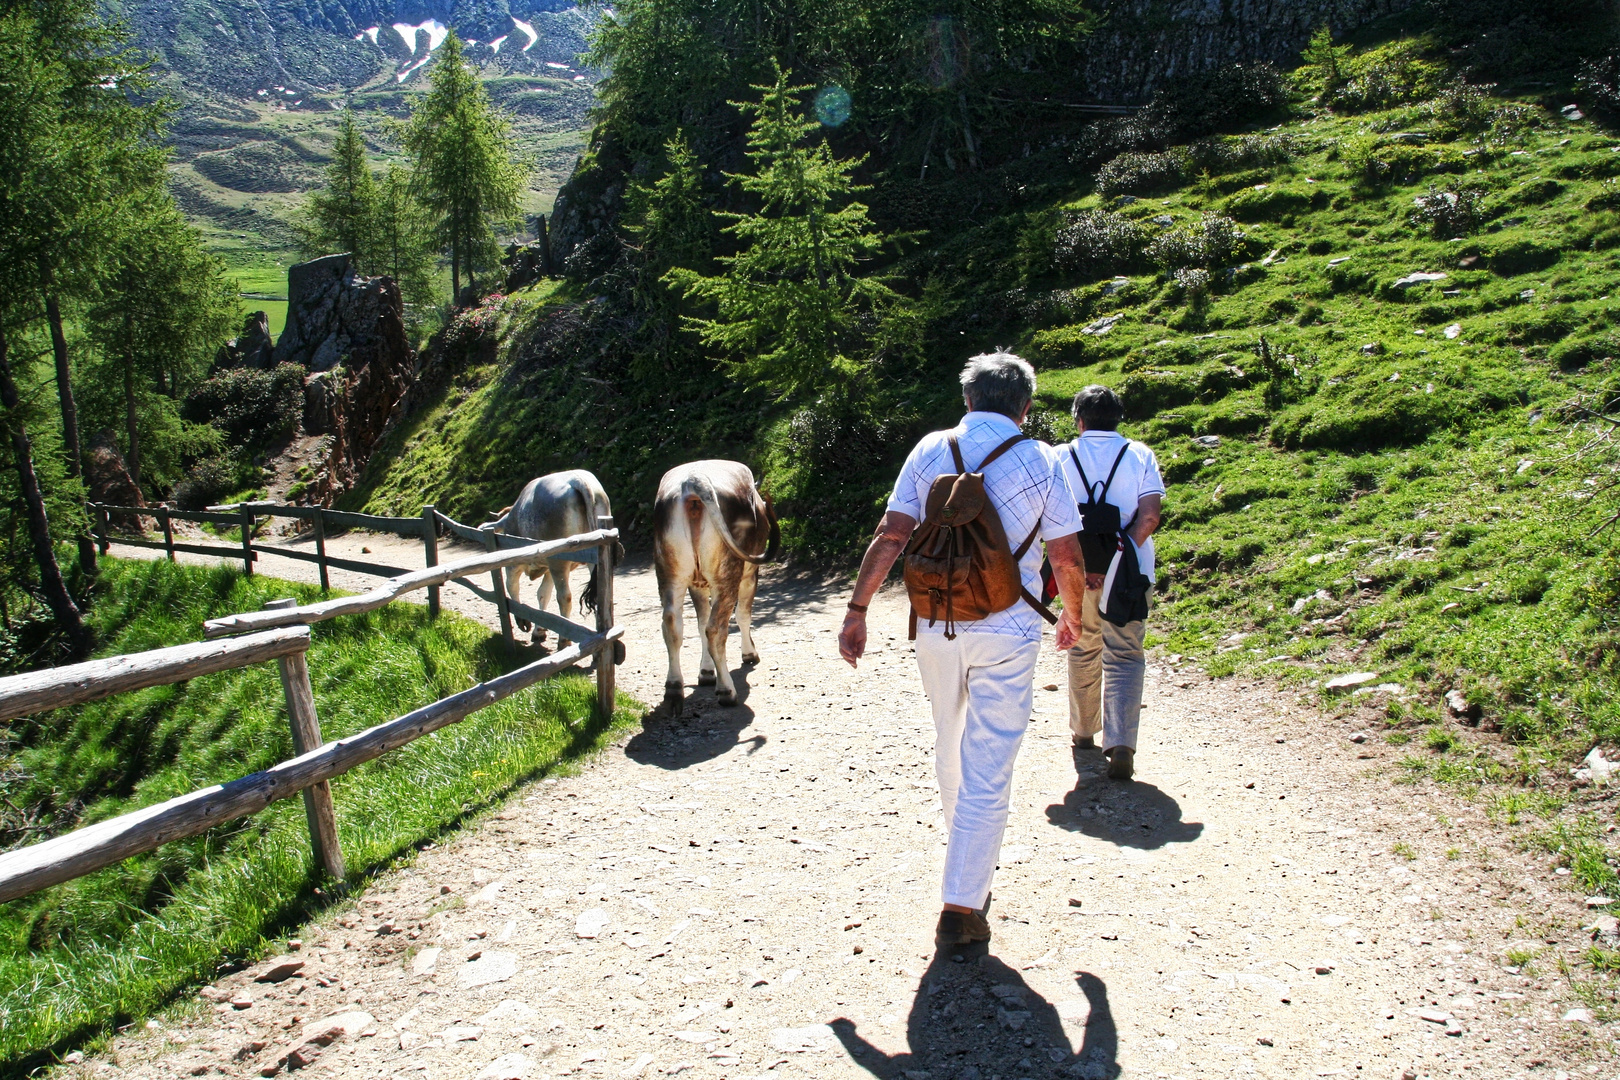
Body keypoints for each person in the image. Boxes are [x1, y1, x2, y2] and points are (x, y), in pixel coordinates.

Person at [838, 352, 1090, 949]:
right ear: (1025, 407)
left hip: (934, 621)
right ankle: (961, 903)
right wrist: (1073, 615)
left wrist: (858, 610)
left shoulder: (930, 449)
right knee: (990, 763)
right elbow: (1068, 556)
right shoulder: (1043, 459)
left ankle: (965, 859)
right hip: (1010, 628)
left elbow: (891, 534)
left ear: (968, 400)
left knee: (947, 737)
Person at [1055, 384, 1164, 781]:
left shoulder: (1059, 457)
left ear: (1078, 420)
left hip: (1075, 573)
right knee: (1126, 654)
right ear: (1119, 418)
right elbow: (1149, 516)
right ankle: (1121, 745)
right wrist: (1120, 553)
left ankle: (1084, 733)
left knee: (1083, 647)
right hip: (1130, 575)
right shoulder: (1139, 455)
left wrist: (1088, 563)